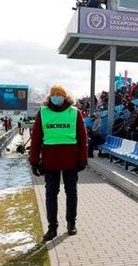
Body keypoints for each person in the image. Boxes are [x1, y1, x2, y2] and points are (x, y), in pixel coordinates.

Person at [29, 85, 88, 241]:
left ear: (65, 97)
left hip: (71, 160)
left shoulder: (74, 113)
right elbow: (35, 139)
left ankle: (71, 223)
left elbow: (83, 139)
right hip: (50, 161)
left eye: (59, 94)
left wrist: (83, 158)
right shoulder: (43, 112)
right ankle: (52, 227)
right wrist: (34, 161)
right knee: (50, 193)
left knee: (72, 192)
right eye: (53, 94)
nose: (56, 97)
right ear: (50, 97)